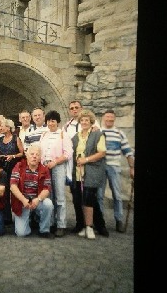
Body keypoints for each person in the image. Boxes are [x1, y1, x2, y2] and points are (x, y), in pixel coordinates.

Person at [63, 100, 100, 233]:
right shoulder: (67, 126)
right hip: (75, 166)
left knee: (91, 197)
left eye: (76, 107)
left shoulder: (93, 124)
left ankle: (97, 224)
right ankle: (80, 223)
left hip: (90, 165)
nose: (74, 110)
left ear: (81, 108)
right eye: (71, 108)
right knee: (77, 196)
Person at [71, 110, 109, 239]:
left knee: (88, 199)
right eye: (82, 120)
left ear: (91, 121)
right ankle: (84, 225)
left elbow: (102, 152)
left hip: (91, 172)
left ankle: (90, 227)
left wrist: (86, 160)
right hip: (78, 173)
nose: (84, 122)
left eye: (87, 120)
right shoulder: (76, 136)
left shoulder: (97, 134)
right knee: (80, 200)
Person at [98, 109, 135, 233]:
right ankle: (100, 221)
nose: (109, 119)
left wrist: (132, 168)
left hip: (114, 167)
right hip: (101, 167)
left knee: (117, 195)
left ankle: (119, 219)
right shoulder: (98, 132)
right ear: (104, 118)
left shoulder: (119, 133)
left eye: (111, 118)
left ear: (114, 119)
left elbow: (128, 152)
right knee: (99, 195)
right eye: (107, 117)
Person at [39, 110, 73, 237]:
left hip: (58, 167)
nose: (50, 123)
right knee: (49, 196)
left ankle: (61, 224)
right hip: (46, 167)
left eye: (53, 120)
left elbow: (68, 153)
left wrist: (55, 162)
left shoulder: (63, 135)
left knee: (59, 196)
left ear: (57, 122)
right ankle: (51, 223)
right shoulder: (44, 135)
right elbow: (41, 151)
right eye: (48, 121)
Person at [10, 144, 55, 238]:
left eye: (37, 155)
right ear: (26, 155)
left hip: (36, 200)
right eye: (32, 154)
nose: (34, 156)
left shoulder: (44, 169)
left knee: (48, 203)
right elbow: (13, 186)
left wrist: (38, 199)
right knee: (21, 233)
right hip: (22, 201)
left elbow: (47, 189)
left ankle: (44, 230)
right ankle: (30, 219)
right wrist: (23, 200)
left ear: (40, 158)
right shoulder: (19, 166)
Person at [0, 118, 24, 225]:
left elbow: (22, 153)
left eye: (2, 125)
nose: (0, 127)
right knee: (5, 192)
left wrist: (12, 156)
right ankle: (7, 218)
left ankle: (19, 216)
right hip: (3, 168)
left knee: (15, 191)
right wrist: (1, 156)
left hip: (14, 167)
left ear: (8, 127)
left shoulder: (16, 138)